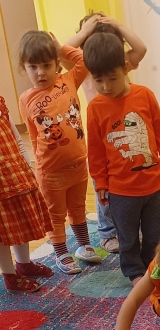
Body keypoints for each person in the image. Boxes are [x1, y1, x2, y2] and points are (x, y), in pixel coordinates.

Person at [83, 32, 160, 283]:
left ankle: (153, 266)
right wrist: (101, 183)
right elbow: (95, 151)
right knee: (127, 237)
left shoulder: (145, 95)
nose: (106, 87)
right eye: (98, 80)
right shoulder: (95, 108)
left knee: (156, 233)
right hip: (121, 191)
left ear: (125, 67)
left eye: (112, 78)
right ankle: (135, 271)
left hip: (156, 184)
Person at [18, 30, 102, 275]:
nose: (41, 72)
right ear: (24, 68)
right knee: (55, 214)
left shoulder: (68, 80)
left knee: (77, 207)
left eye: (47, 65)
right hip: (51, 171)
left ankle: (84, 246)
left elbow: (84, 60)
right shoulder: (26, 99)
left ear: (56, 63)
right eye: (33, 67)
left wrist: (60, 47)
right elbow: (34, 134)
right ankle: (61, 252)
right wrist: (39, 164)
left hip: (78, 163)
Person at [65, 12, 147, 253]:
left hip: (126, 132)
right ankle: (108, 232)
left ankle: (129, 227)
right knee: (103, 184)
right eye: (90, 36)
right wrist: (85, 31)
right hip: (101, 134)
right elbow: (63, 52)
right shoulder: (85, 66)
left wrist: (118, 25)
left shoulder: (120, 62)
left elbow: (141, 49)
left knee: (131, 180)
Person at [0, 95, 53, 293]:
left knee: (20, 221)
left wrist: (26, 166)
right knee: (2, 232)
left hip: (15, 173)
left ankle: (23, 264)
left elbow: (16, 139)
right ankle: (9, 276)